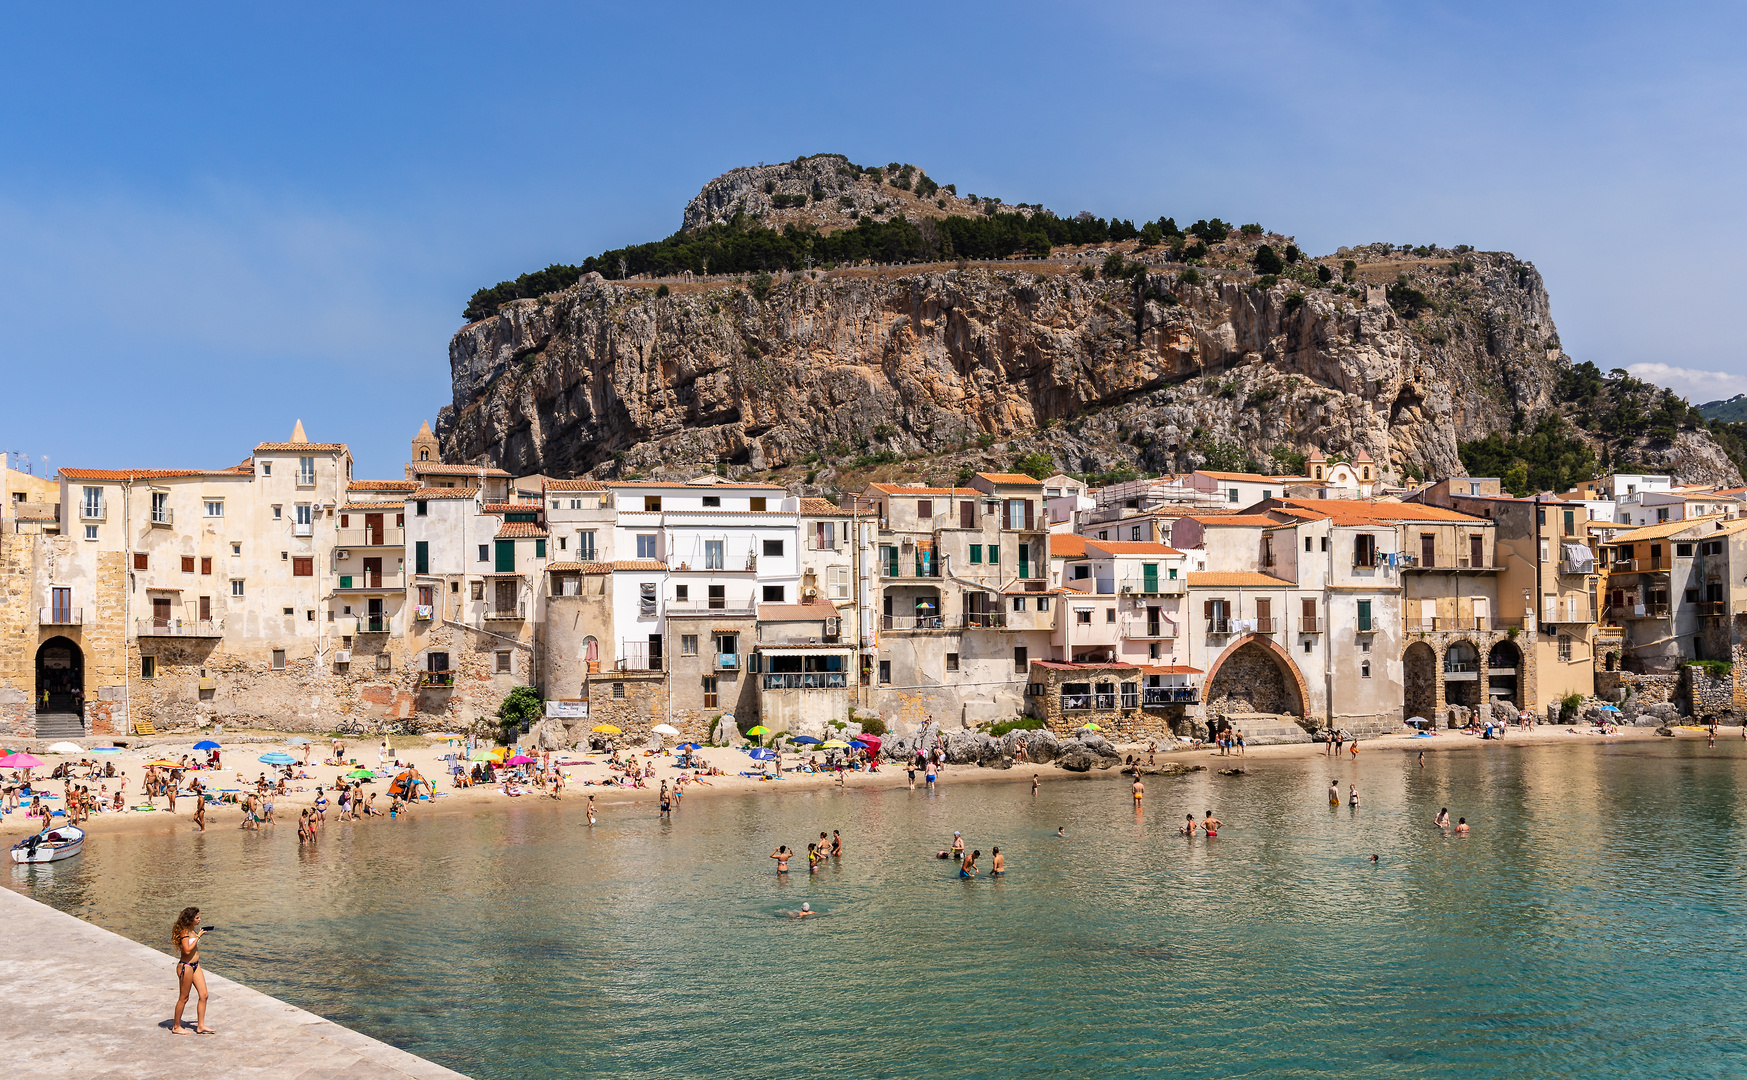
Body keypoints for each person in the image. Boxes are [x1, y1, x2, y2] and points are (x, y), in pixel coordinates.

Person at [169, 907, 213, 1035]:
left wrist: (198, 935)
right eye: (197, 917)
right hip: (186, 967)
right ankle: (176, 1026)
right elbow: (187, 950)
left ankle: (201, 1025)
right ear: (190, 919)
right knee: (184, 998)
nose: (199, 919)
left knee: (204, 995)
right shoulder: (184, 932)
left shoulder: (192, 930)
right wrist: (199, 936)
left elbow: (191, 945)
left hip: (195, 965)